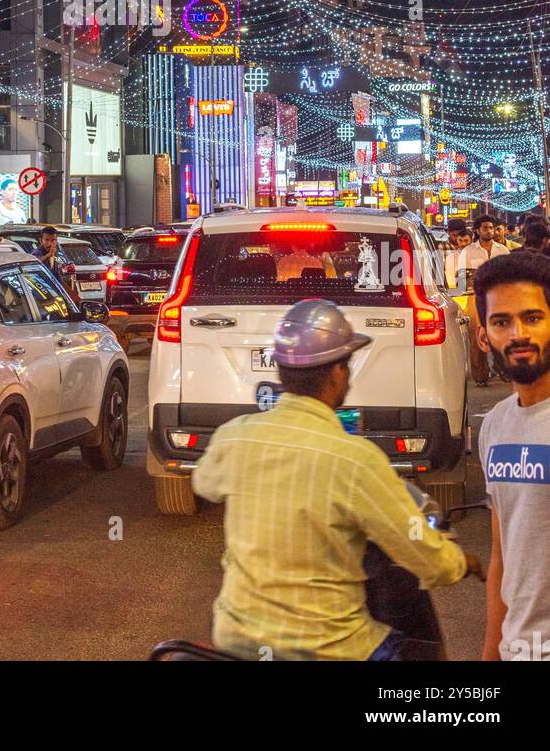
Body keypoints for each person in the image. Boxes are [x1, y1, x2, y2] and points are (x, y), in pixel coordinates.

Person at [192, 299, 477, 661]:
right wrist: (460, 562)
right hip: (329, 649)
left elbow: (204, 484)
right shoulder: (356, 460)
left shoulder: (234, 435)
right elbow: (429, 561)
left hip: (235, 637)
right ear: (338, 372)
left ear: (280, 370)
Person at [474, 251, 550, 661]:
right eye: (502, 321)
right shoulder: (495, 426)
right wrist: (492, 651)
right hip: (519, 649)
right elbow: (502, 553)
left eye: (533, 317)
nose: (518, 333)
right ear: (484, 335)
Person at [455, 215, 510, 385]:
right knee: (477, 335)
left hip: (500, 297)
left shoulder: (502, 250)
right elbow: (461, 278)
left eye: (491, 227)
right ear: (478, 230)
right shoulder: (468, 251)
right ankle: (480, 376)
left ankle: (504, 369)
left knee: (502, 333)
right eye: (485, 228)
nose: (489, 231)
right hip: (475, 297)